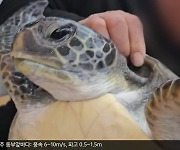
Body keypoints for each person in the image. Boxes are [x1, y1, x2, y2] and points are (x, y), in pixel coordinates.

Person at [0, 0, 179, 140]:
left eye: (58, 35)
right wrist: (84, 27)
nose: (23, 41)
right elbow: (14, 9)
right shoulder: (29, 100)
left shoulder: (165, 107)